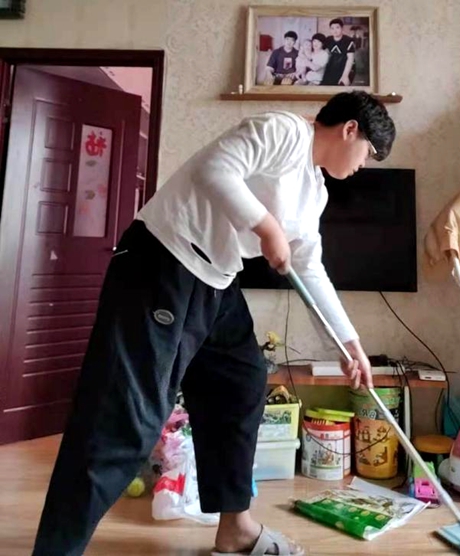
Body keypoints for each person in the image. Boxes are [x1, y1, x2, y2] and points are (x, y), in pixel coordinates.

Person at [31, 91, 396, 556]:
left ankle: (235, 528)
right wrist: (267, 227)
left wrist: (349, 342)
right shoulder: (285, 131)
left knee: (240, 383)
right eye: (369, 153)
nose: (365, 165)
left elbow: (309, 268)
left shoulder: (316, 192)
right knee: (125, 418)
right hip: (162, 261)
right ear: (350, 130)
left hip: (216, 280)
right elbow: (216, 169)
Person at [321, 18, 356, 86]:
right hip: (332, 67)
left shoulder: (348, 41)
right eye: (332, 28)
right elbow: (321, 51)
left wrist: (345, 75)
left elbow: (350, 59)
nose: (335, 30)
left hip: (346, 68)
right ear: (330, 30)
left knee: (342, 85)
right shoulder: (328, 39)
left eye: (337, 27)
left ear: (342, 29)